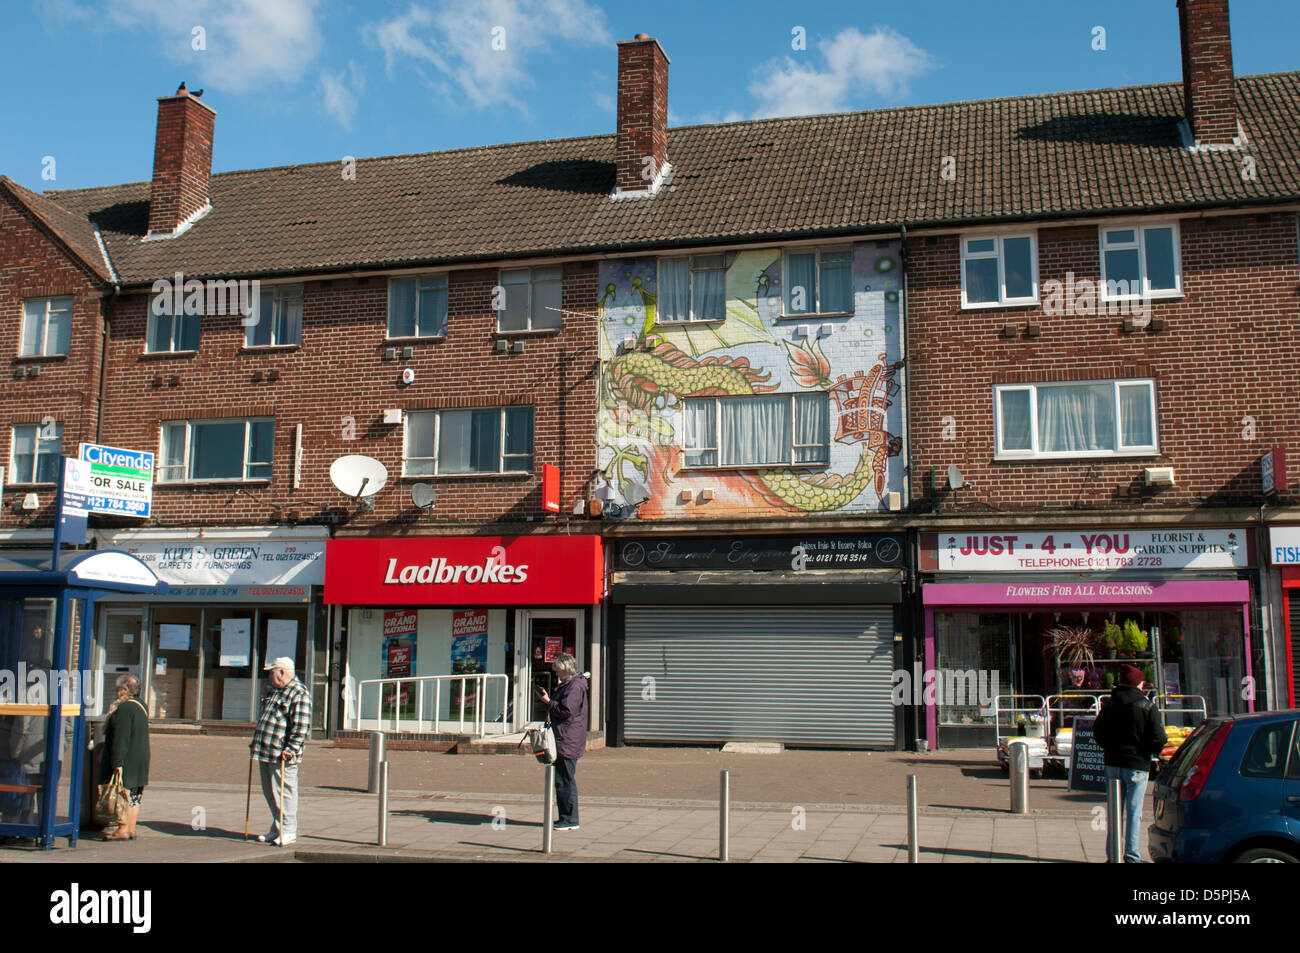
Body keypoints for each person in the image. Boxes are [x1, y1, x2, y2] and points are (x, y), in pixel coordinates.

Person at [1093, 663, 1167, 863]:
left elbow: (1097, 732)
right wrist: (1150, 751)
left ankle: (1113, 854)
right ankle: (1132, 856)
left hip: (1112, 762)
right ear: (1138, 684)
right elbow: (1159, 737)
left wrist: (1109, 748)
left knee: (1114, 812)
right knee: (1134, 812)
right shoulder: (1147, 706)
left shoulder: (1109, 705)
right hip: (1137, 764)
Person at [250, 657, 311, 846]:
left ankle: (288, 830)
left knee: (285, 793)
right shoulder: (276, 691)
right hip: (266, 751)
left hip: (281, 753)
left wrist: (291, 748)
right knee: (271, 793)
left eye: (271, 672)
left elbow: (301, 726)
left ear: (282, 672)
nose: (269, 675)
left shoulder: (298, 693)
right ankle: (277, 828)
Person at [537, 654, 588, 831]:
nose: (556, 673)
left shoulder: (574, 686)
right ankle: (566, 818)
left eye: (558, 670)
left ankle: (570, 819)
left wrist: (548, 702)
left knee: (564, 780)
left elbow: (566, 711)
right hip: (566, 737)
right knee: (563, 779)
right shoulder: (571, 684)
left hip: (568, 739)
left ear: (565, 669)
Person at [100, 674, 149, 841]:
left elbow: (121, 737)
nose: (117, 693)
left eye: (118, 689)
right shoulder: (142, 706)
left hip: (128, 758)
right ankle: (131, 828)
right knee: (135, 796)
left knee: (123, 794)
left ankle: (122, 829)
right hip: (141, 758)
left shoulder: (125, 709)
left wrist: (117, 762)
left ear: (125, 689)